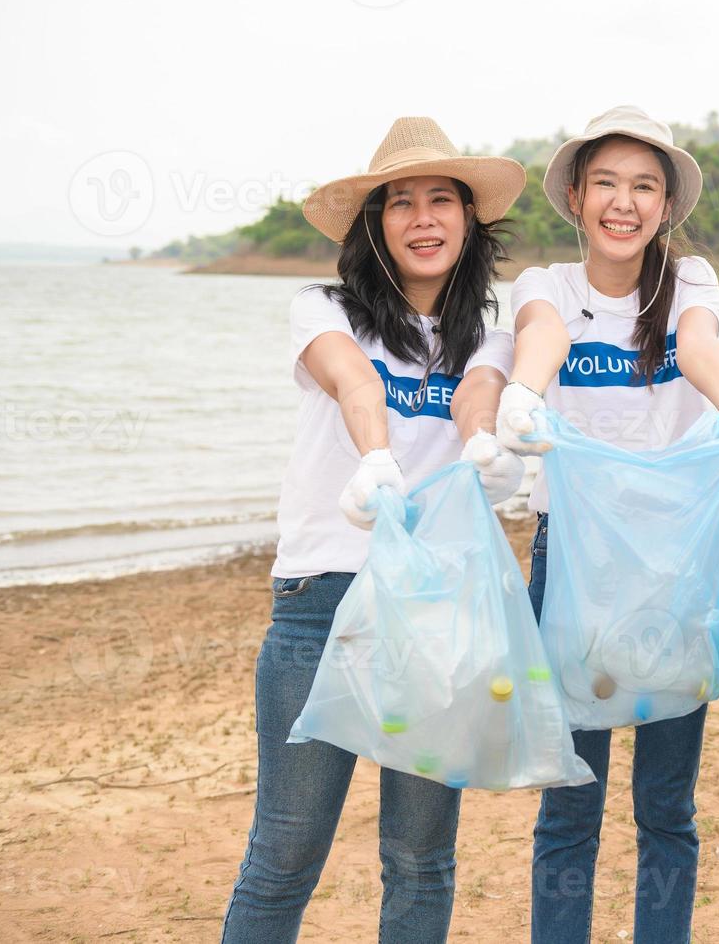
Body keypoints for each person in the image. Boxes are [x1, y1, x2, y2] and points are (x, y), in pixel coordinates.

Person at [221, 116, 528, 943]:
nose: (422, 218)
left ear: (469, 221)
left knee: (421, 858)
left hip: (435, 616)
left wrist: (485, 446)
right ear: (375, 224)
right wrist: (377, 456)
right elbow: (352, 379)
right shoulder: (321, 307)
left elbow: (478, 392)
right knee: (285, 850)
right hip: (322, 603)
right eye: (401, 203)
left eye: (441, 201)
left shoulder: (485, 333)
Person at [493, 105, 719, 944]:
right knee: (568, 801)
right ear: (577, 197)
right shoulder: (546, 285)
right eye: (608, 185)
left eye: (644, 187)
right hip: (574, 565)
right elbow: (539, 337)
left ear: (665, 205)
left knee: (666, 806)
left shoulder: (687, 283)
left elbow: (699, 349)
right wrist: (522, 390)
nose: (625, 203)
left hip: (671, 568)